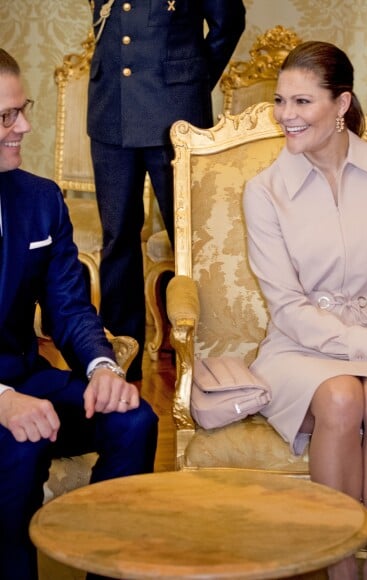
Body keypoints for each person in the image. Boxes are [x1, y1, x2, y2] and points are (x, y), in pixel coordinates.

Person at [243, 41, 367, 580]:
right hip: (298, 348)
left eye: (302, 102)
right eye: (281, 101)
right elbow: (285, 306)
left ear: (341, 104)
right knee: (339, 395)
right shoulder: (264, 192)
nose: (286, 116)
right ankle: (341, 571)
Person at [0, 48, 159, 580]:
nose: (23, 125)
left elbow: (69, 305)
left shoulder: (40, 200)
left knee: (134, 419)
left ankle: (106, 569)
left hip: (27, 378)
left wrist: (103, 369)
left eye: (23, 109)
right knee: (16, 446)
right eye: (6, 116)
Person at [88, 0, 246, 380]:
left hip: (175, 113)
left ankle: (203, 358)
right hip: (111, 110)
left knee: (189, 240)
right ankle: (122, 360)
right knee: (118, 238)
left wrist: (191, 81)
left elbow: (229, 21)